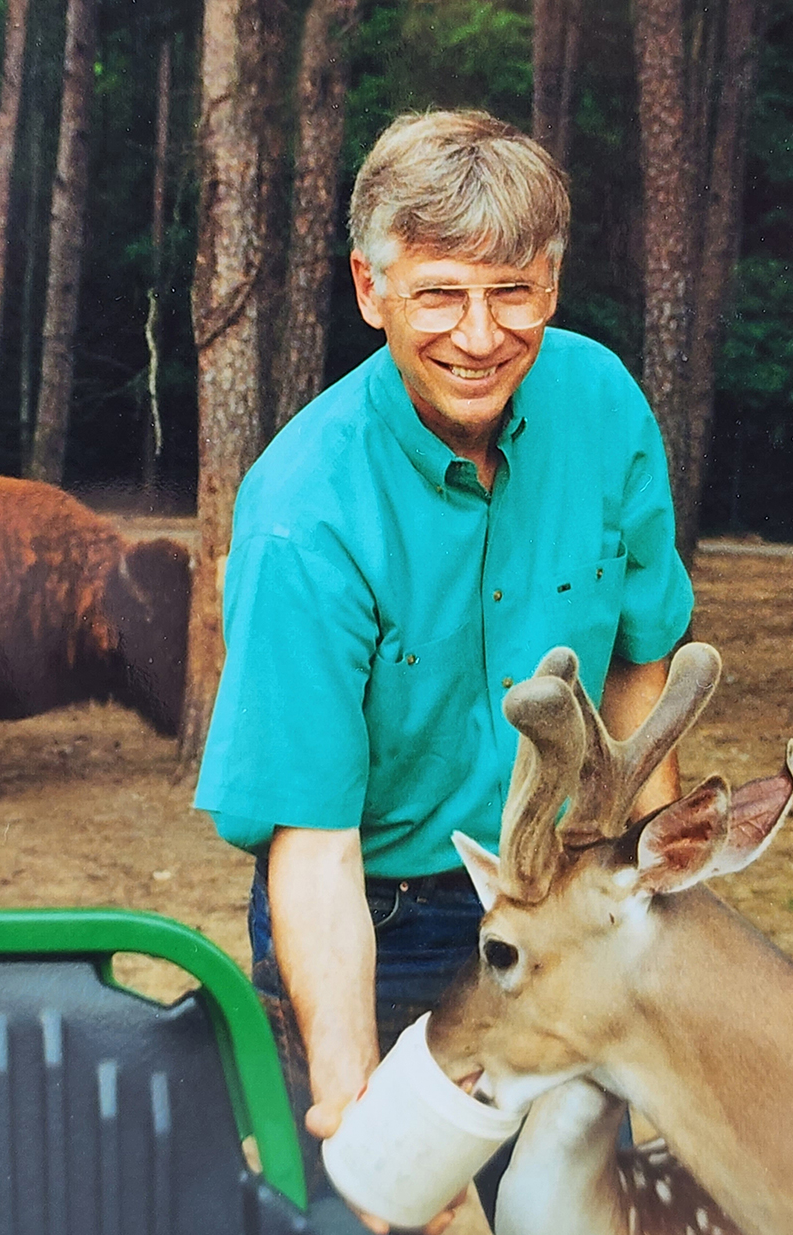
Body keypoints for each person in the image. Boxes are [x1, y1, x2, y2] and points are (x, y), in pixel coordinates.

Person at [195, 109, 694, 1234]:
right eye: (439, 294)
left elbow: (640, 673)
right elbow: (313, 850)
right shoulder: (302, 515)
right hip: (383, 914)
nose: (480, 336)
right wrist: (358, 1098)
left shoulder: (604, 404)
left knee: (575, 1210)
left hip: (563, 903)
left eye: (512, 291)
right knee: (397, 1213)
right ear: (370, 288)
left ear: (554, 285)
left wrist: (661, 912)